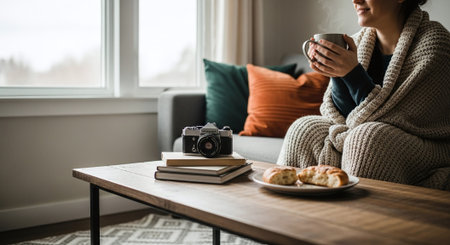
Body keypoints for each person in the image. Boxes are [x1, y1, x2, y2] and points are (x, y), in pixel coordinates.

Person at [277, 0, 450, 190]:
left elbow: (399, 119)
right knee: (304, 129)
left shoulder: (435, 44)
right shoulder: (358, 42)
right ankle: (296, 216)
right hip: (365, 133)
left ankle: (357, 218)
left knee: (367, 138)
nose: (356, 0)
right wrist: (337, 74)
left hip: (427, 146)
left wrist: (352, 73)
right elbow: (346, 117)